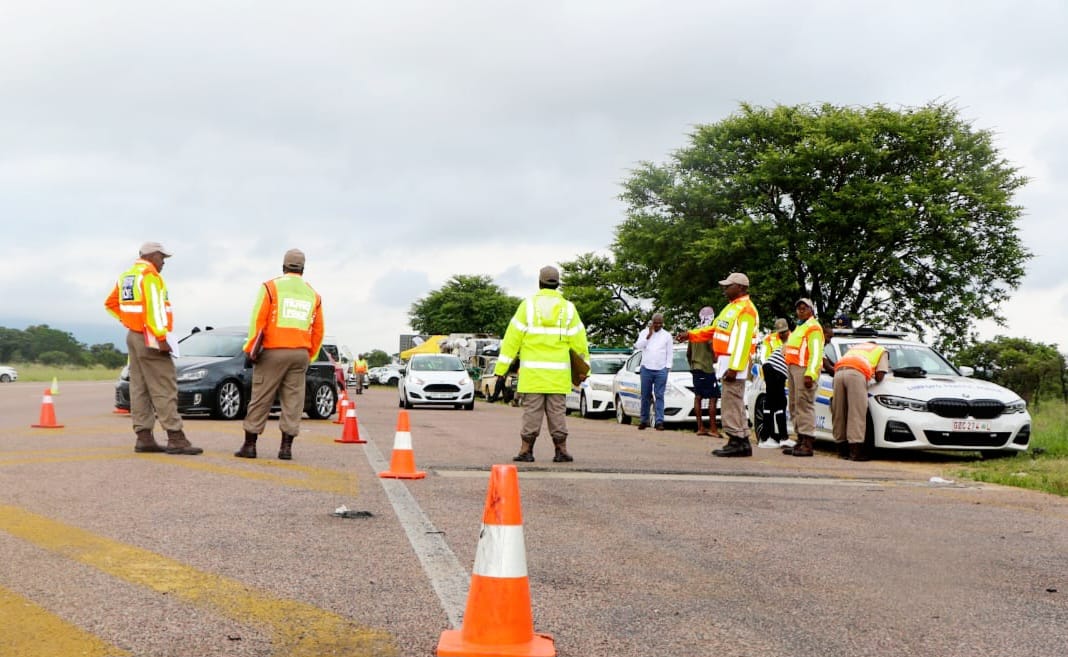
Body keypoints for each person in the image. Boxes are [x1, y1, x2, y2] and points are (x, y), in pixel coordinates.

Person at [104, 241, 202, 455]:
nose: (163, 263)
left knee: (139, 387)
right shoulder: (150, 277)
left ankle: (144, 437)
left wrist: (129, 321)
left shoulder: (127, 277)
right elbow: (155, 309)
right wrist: (161, 337)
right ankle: (175, 437)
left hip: (133, 335)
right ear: (151, 256)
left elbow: (110, 304)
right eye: (162, 258)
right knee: (164, 386)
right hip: (151, 337)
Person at [234, 248, 324, 461]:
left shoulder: (270, 287)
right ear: (303, 268)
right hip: (300, 353)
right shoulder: (313, 294)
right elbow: (319, 331)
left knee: (261, 397)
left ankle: (250, 445)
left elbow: (258, 320)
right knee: (293, 401)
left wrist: (250, 349)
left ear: (283, 266)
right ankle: (286, 448)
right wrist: (309, 355)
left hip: (273, 352)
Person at [495, 265, 589, 463]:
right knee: (557, 413)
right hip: (558, 376)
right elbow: (579, 342)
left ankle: (526, 451)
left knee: (532, 413)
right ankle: (561, 450)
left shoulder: (527, 306)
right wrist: (584, 369)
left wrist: (501, 370)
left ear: (539, 283)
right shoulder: (568, 308)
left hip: (532, 375)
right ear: (558, 284)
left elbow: (512, 339)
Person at [677, 272, 758, 457]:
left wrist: (735, 367)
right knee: (732, 401)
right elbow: (714, 330)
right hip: (726, 360)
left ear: (741, 288)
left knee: (731, 402)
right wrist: (691, 334)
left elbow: (744, 341)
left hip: (733, 361)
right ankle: (741, 439)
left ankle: (736, 440)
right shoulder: (731, 308)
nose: (725, 289)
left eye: (729, 285)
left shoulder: (746, 309)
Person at [831, 341, 889, 461]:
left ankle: (841, 450)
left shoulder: (855, 348)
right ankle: (855, 452)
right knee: (856, 412)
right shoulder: (881, 350)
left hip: (838, 373)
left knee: (839, 411)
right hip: (856, 374)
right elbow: (879, 376)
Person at [781, 298, 825, 457]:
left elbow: (816, 353)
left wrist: (810, 374)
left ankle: (807, 443)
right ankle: (799, 440)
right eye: (798, 308)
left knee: (804, 405)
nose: (800, 310)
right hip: (793, 369)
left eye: (804, 308)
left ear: (811, 310)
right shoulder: (800, 327)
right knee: (794, 405)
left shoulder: (813, 328)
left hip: (804, 370)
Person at [633, 312, 674, 431]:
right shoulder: (644, 333)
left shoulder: (667, 335)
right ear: (652, 322)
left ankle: (659, 421)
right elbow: (638, 346)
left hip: (661, 369)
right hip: (646, 368)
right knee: (645, 395)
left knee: (659, 395)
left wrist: (667, 367)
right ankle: (643, 420)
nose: (657, 325)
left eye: (660, 323)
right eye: (655, 323)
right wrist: (648, 336)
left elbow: (670, 353)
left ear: (662, 323)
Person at [684, 306, 720, 436]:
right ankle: (713, 429)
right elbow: (712, 349)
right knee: (713, 397)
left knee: (698, 397)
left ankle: (700, 427)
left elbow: (688, 353)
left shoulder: (694, 332)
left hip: (695, 369)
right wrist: (715, 358)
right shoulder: (708, 332)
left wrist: (693, 364)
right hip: (707, 369)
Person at [757, 318, 791, 449]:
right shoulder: (792, 339)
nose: (782, 334)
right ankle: (766, 438)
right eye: (780, 332)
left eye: (784, 331)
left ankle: (780, 437)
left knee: (778, 403)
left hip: (773, 369)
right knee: (774, 403)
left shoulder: (791, 338)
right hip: (774, 370)